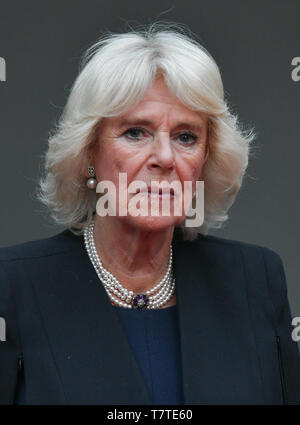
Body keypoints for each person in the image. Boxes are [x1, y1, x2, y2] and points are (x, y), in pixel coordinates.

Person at [0, 23, 299, 405]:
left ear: (206, 160)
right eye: (136, 132)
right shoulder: (12, 286)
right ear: (88, 153)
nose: (164, 157)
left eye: (185, 137)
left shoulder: (254, 281)